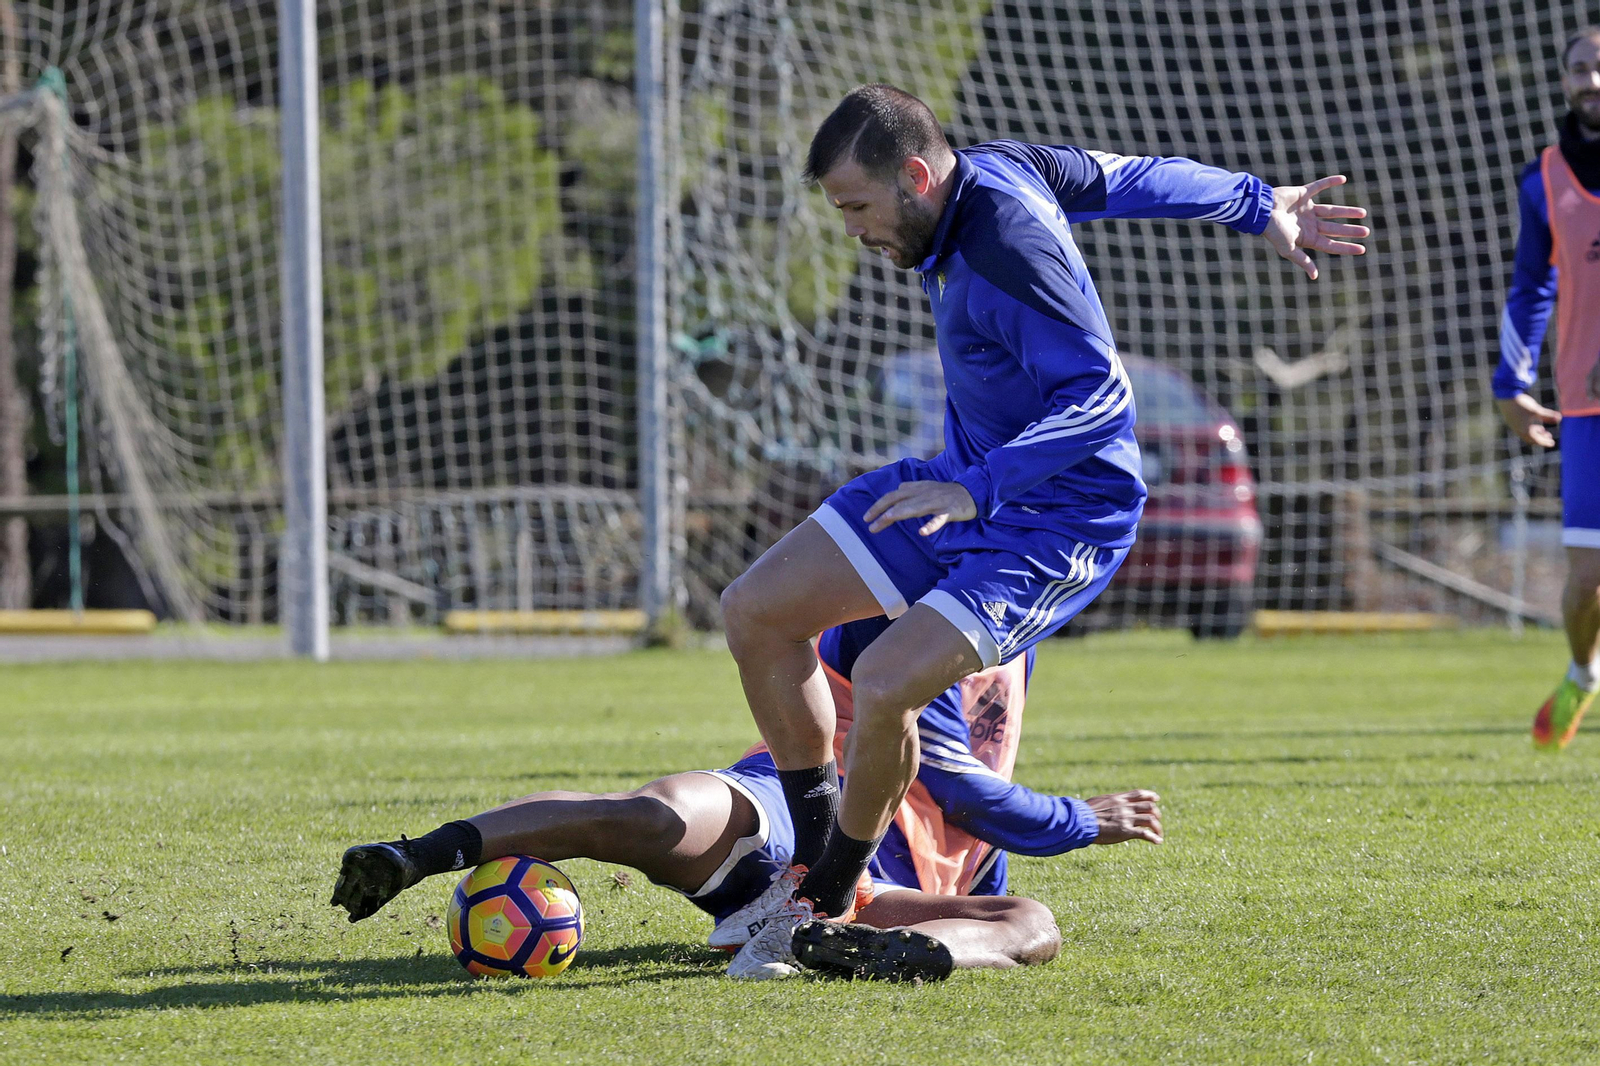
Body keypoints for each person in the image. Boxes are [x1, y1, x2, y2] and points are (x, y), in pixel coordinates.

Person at [716, 84, 1370, 977]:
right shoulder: (1005, 166)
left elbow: (1102, 401)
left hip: (1057, 520)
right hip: (966, 484)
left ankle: (825, 893)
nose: (852, 230)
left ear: (915, 175)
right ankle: (815, 852)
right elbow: (1132, 177)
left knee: (884, 681)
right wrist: (1259, 204)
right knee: (755, 611)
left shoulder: (1009, 246)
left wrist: (980, 486)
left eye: (858, 207)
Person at [330, 616, 1164, 982]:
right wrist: (1085, 819)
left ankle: (888, 957)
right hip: (792, 815)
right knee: (648, 815)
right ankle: (417, 855)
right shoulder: (899, 610)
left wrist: (970, 897)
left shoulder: (1017, 635)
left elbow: (975, 820)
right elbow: (957, 784)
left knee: (1032, 924)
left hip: (872, 893)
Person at [1493, 27, 1600, 752]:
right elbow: (1533, 285)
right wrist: (1511, 379)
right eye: (1579, 68)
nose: (1591, 78)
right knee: (1587, 577)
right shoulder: (1545, 180)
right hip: (1585, 406)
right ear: (1564, 80)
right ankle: (1582, 674)